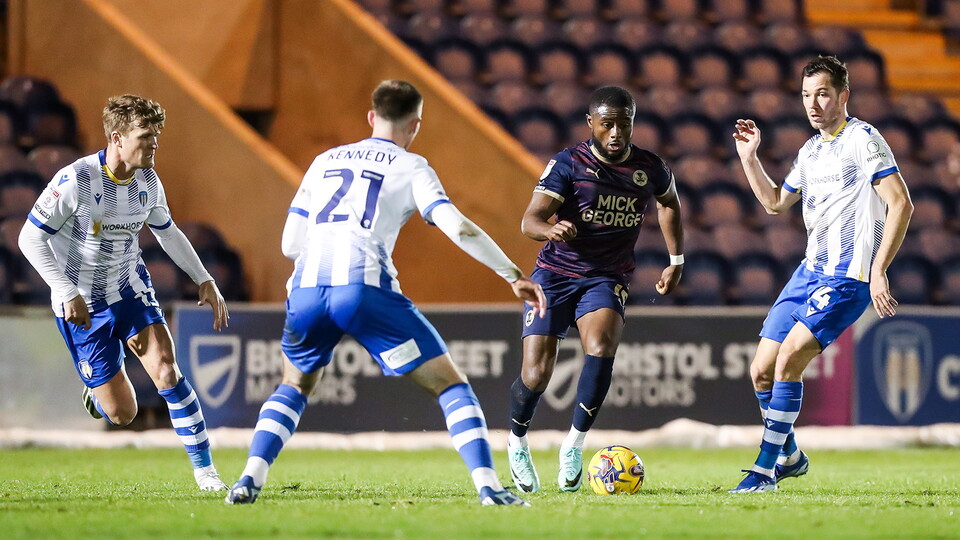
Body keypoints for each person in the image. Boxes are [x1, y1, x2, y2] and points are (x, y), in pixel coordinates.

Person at [225, 80, 547, 506]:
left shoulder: (324, 160)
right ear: (415, 124)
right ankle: (489, 487)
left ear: (372, 116)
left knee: (294, 384)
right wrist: (511, 273)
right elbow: (459, 227)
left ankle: (249, 479)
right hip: (364, 288)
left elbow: (289, 244)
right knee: (452, 386)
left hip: (306, 289)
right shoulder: (412, 166)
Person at [18, 94, 231, 490]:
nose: (154, 145)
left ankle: (206, 473)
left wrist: (204, 277)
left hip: (130, 288)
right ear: (117, 138)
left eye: (156, 137)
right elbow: (29, 237)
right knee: (122, 414)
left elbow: (168, 233)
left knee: (167, 370)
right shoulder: (75, 180)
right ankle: (97, 391)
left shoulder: (149, 181)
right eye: (145, 136)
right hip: (81, 301)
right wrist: (65, 290)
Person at [729, 56, 913, 493]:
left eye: (822, 93)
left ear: (843, 96)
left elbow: (901, 203)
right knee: (760, 372)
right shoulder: (810, 150)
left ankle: (764, 471)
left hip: (848, 277)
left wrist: (879, 270)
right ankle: (790, 456)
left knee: (790, 359)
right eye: (807, 94)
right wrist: (749, 158)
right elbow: (775, 202)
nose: (812, 103)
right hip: (808, 273)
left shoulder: (863, 140)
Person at [506, 86, 684, 493]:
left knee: (601, 347)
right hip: (554, 274)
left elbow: (669, 202)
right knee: (536, 375)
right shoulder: (568, 164)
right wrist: (551, 228)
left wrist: (676, 261)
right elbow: (529, 221)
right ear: (591, 124)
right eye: (607, 124)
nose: (617, 132)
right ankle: (517, 442)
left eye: (625, 123)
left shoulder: (650, 167)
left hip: (606, 276)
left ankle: (574, 444)